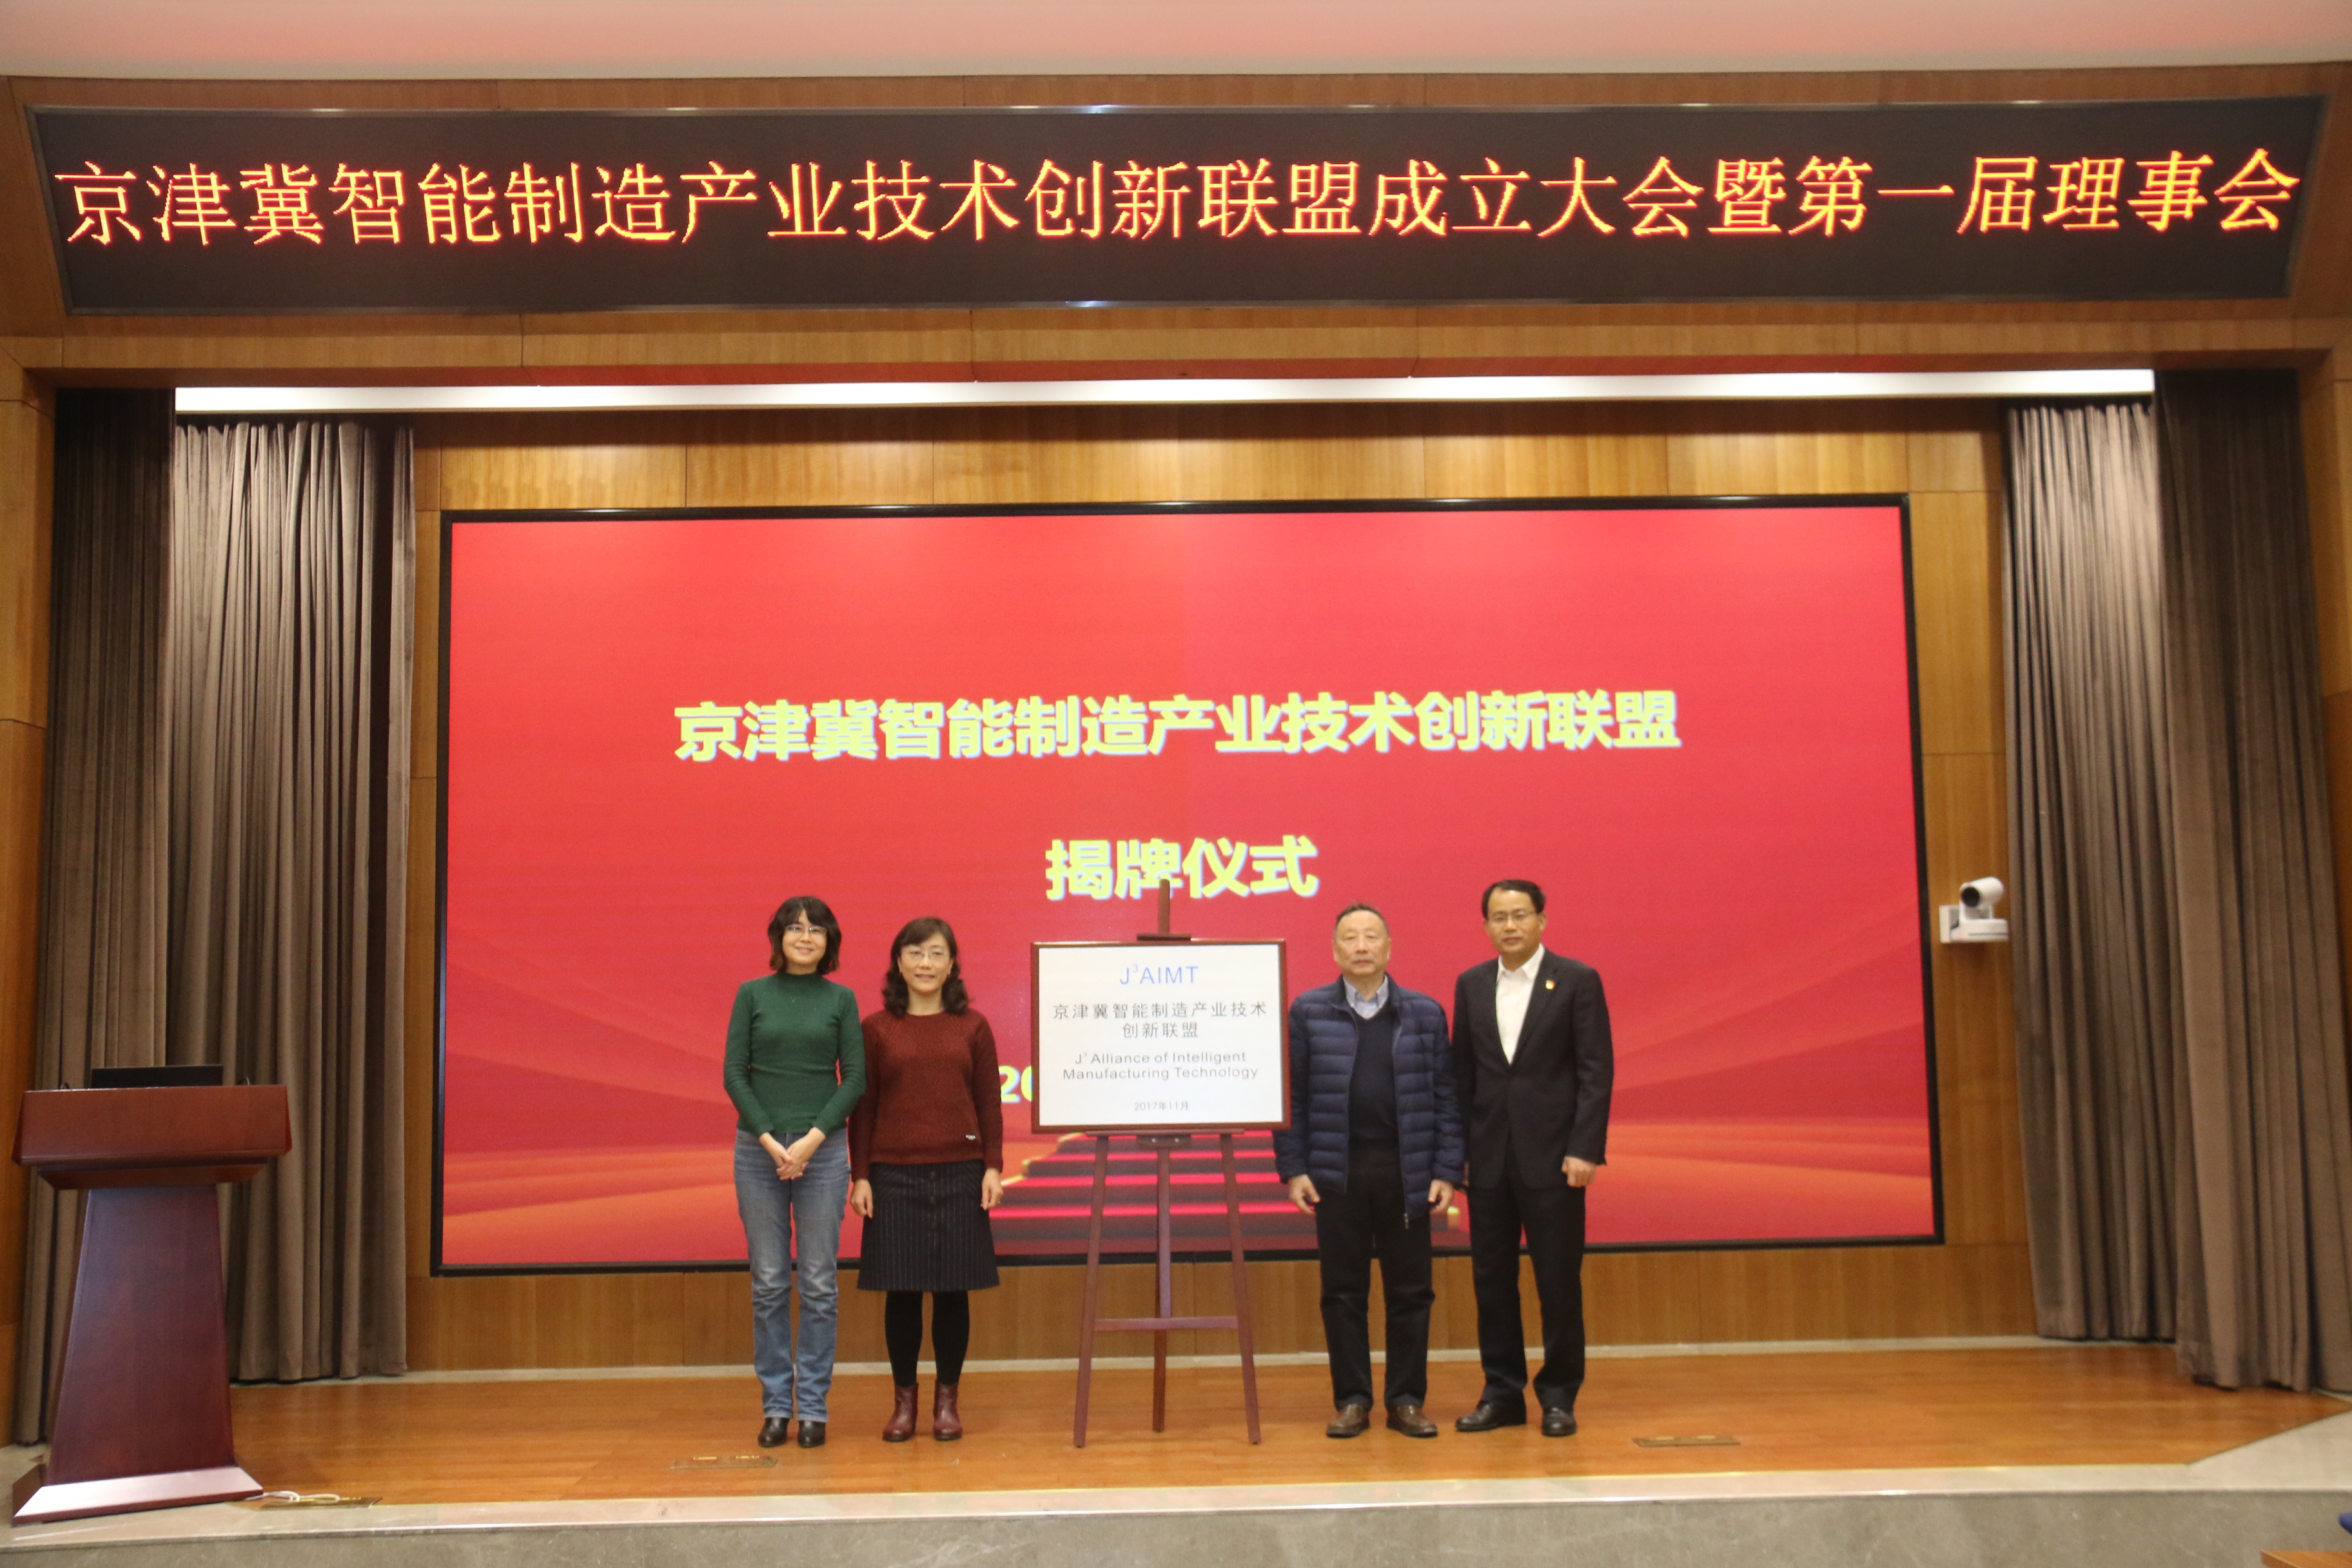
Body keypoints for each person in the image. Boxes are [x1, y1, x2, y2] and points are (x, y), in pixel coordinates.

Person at [1274, 902, 1463, 1440]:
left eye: (1371, 937)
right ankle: (1352, 1400)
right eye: (1350, 938)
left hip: (1408, 1170)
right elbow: (1291, 1098)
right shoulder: (1308, 1012)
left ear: (1389, 947)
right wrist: (1294, 1168)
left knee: (1411, 1293)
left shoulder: (1424, 1013)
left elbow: (1447, 1098)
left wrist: (1447, 1169)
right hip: (1337, 1171)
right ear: (1335, 950)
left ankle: (1406, 1400)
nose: (1361, 946)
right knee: (1342, 1292)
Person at [1451, 878, 1613, 1438]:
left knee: (1558, 1282)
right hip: (1488, 1161)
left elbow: (1595, 1071)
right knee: (1492, 1283)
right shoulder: (1472, 984)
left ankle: (1559, 1396)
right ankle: (1502, 1394)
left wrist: (1585, 1148)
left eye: (1520, 915)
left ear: (1542, 920)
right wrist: (1459, 1155)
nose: (1510, 926)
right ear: (1486, 926)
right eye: (1499, 917)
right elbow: (1463, 1075)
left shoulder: (1577, 980)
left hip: (1555, 1160)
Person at [850, 916, 1004, 1443]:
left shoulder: (973, 1027)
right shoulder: (876, 1029)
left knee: (953, 1293)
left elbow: (989, 1102)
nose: (925, 963)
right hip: (893, 1177)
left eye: (937, 953)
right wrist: (861, 1175)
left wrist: (992, 1166)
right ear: (898, 962)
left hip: (962, 1173)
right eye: (915, 953)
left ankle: (947, 1404)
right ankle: (904, 1406)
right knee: (903, 1294)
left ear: (951, 963)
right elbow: (864, 1109)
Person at [722, 895, 866, 1451]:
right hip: (757, 1151)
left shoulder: (841, 999)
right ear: (778, 937)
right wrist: (769, 1139)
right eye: (795, 928)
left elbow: (854, 1079)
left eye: (817, 929)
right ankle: (777, 1407)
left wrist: (810, 1140)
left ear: (830, 942)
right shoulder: (752, 994)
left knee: (819, 1283)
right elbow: (735, 1074)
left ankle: (814, 1408)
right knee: (769, 1282)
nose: (806, 937)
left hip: (822, 1151)